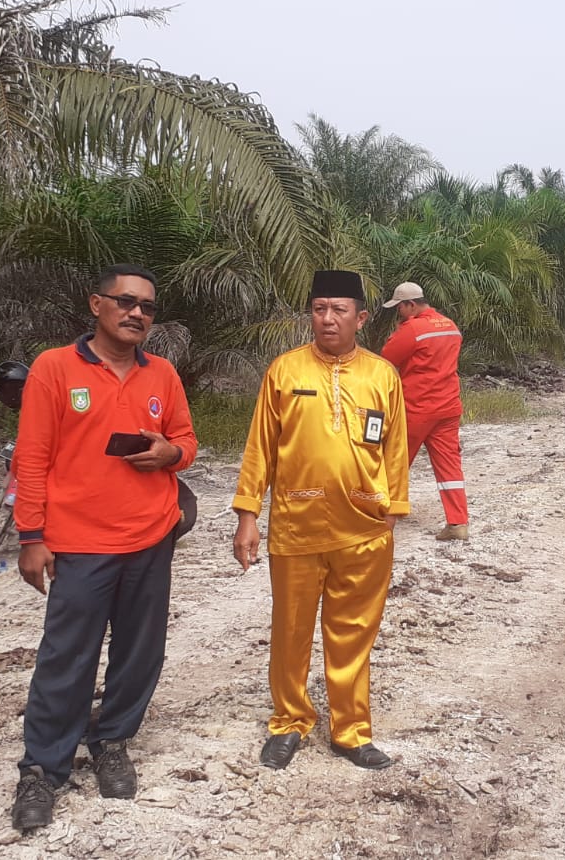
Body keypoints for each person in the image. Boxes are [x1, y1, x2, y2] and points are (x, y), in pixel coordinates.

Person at [8, 264, 198, 830]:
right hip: (80, 542)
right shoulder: (54, 368)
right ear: (97, 305)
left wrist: (171, 454)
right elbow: (32, 457)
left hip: (150, 536)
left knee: (142, 651)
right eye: (125, 302)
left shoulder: (162, 373)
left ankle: (112, 740)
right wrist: (31, 536)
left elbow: (187, 440)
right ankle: (43, 769)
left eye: (147, 307)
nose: (137, 313)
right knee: (67, 656)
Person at [232, 269, 409, 772]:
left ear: (361, 318)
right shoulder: (285, 371)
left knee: (353, 631)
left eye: (339, 310)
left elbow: (395, 448)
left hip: (364, 528)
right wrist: (248, 514)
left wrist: (392, 511)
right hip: (296, 525)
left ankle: (351, 732)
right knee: (290, 630)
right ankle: (289, 722)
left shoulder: (382, 375)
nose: (327, 319)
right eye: (319, 309)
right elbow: (260, 448)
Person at [379, 281, 469, 541]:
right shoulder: (450, 325)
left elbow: (386, 360)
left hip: (417, 407)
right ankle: (458, 523)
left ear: (411, 305)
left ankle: (383, 511)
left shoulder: (413, 329)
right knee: (449, 466)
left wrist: (397, 333)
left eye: (399, 308)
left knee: (394, 460)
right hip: (449, 407)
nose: (398, 312)